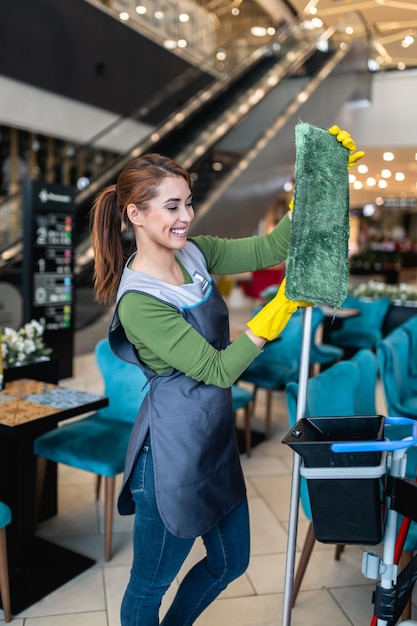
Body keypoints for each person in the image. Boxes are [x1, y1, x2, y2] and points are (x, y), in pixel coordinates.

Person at [90, 126, 362, 626]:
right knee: (148, 588)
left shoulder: (194, 253)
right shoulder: (140, 301)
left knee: (230, 562)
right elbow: (217, 369)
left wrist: (321, 185)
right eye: (172, 207)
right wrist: (274, 313)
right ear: (136, 214)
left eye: (188, 203)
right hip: (170, 456)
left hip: (212, 439)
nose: (186, 217)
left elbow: (268, 249)